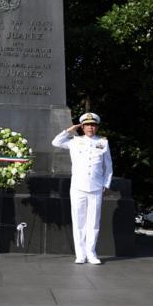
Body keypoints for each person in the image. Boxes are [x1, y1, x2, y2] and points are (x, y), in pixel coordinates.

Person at [52, 112, 113, 265]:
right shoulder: (74, 141)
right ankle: (80, 254)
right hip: (78, 186)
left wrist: (106, 185)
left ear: (96, 127)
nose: (90, 128)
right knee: (79, 221)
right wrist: (69, 130)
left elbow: (108, 167)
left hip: (96, 186)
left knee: (93, 222)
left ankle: (91, 253)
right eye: (87, 125)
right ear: (82, 127)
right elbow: (56, 142)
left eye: (93, 125)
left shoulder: (103, 142)